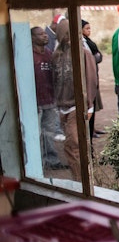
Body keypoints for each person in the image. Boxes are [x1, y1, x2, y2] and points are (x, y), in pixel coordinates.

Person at [52, 19, 97, 181]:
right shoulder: (57, 55)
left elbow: (91, 80)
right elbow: (55, 81)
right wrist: (57, 106)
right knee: (74, 146)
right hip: (62, 107)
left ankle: (82, 182)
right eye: (62, 34)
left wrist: (89, 106)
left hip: (76, 106)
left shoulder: (83, 53)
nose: (65, 37)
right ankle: (81, 179)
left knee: (72, 146)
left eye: (67, 33)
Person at [31, 26, 66, 170]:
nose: (45, 36)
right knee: (35, 133)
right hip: (35, 102)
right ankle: (35, 163)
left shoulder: (49, 54)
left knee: (49, 133)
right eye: (41, 34)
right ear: (32, 38)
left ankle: (51, 160)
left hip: (50, 100)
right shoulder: (29, 56)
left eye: (45, 33)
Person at [82, 20, 104, 140]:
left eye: (90, 28)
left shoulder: (88, 42)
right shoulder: (81, 43)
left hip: (93, 78)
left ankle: (92, 130)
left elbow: (98, 55)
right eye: (87, 28)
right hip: (87, 80)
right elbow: (93, 57)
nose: (89, 31)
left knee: (92, 106)